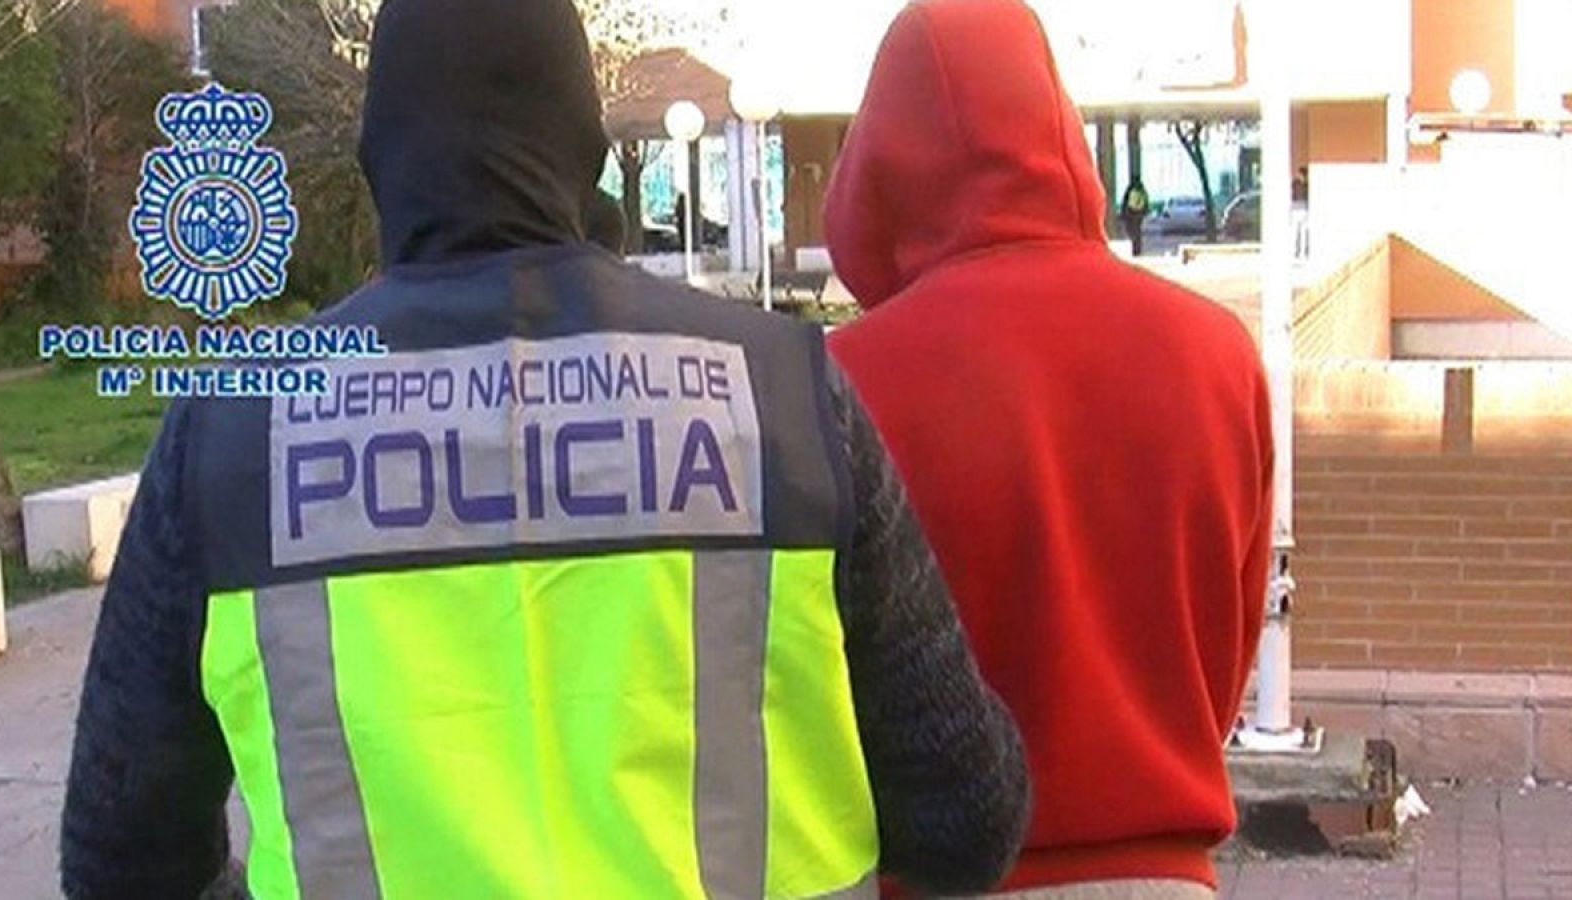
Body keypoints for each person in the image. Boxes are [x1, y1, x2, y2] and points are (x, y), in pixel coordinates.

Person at [58, 0, 1029, 896]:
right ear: (586, 150)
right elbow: (962, 827)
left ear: (378, 157)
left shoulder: (238, 427)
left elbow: (119, 860)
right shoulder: (779, 390)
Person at [824, 0, 1273, 897]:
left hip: (940, 878)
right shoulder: (1217, 352)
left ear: (878, 162)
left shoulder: (839, 381)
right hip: (1167, 874)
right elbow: (1226, 654)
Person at [1120, 177, 1150, 256]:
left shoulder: (1130, 190)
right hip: (1138, 214)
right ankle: (1137, 249)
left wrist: (1124, 214)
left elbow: (1125, 203)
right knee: (1137, 232)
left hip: (1132, 213)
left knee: (1132, 232)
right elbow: (1146, 203)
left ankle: (1135, 249)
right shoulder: (1142, 191)